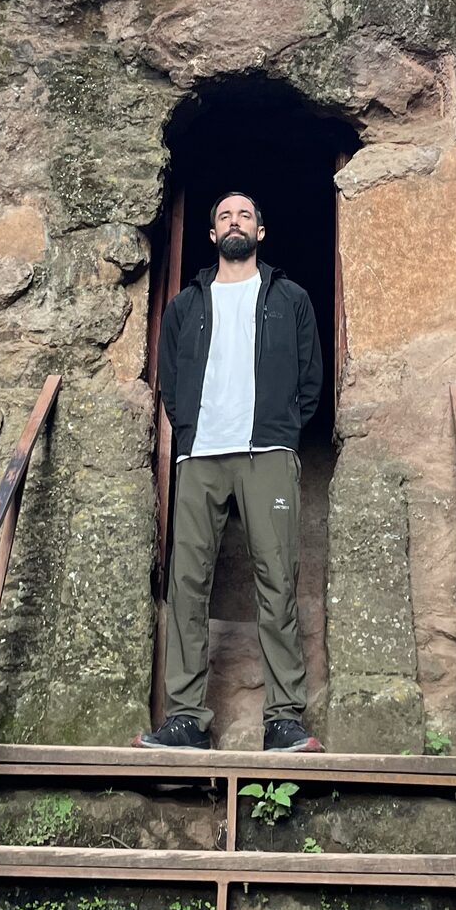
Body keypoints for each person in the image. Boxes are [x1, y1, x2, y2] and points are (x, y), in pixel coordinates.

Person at [137, 191, 324, 753]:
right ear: (212, 234)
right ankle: (186, 720)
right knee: (187, 584)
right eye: (225, 216)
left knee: (277, 580)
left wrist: (283, 428)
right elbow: (169, 375)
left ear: (260, 232)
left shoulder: (290, 298)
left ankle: (284, 720)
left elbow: (310, 379)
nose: (235, 222)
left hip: (267, 453)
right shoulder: (185, 306)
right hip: (200, 457)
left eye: (245, 214)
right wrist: (190, 431)